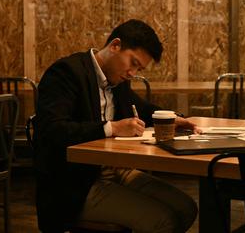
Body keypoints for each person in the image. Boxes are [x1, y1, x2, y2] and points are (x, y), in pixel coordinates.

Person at [33, 19, 198, 233]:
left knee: (186, 208)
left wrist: (172, 119)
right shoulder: (67, 73)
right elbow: (52, 130)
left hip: (114, 170)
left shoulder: (116, 80)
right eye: (133, 62)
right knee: (162, 220)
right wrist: (112, 128)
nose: (132, 72)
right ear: (115, 46)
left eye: (139, 68)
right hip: (72, 185)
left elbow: (141, 107)